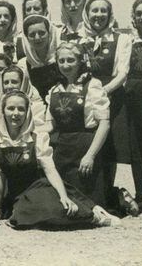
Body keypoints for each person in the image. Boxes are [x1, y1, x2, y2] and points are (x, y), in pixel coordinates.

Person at [0, 89, 120, 228]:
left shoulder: (37, 138)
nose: (15, 114)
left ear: (27, 113)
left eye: (21, 109)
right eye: (11, 108)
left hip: (38, 187)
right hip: (14, 193)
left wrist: (63, 196)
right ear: (3, 111)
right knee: (20, 217)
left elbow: (50, 169)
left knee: (57, 208)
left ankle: (93, 217)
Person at [79, 0, 132, 205]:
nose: (99, 15)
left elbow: (123, 73)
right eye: (94, 10)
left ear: (109, 14)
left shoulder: (121, 39)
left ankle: (109, 194)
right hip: (85, 98)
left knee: (110, 146)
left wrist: (103, 91)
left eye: (103, 10)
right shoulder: (81, 39)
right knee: (89, 141)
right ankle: (91, 192)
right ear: (87, 13)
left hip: (111, 97)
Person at [46, 42, 110, 207]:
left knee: (87, 205)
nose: (66, 65)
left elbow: (104, 123)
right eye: (62, 61)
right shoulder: (54, 90)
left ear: (80, 61)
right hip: (62, 150)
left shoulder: (92, 85)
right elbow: (49, 126)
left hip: (84, 149)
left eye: (70, 60)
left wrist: (90, 156)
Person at [119, 0, 142, 212]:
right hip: (132, 97)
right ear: (133, 16)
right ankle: (140, 195)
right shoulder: (126, 40)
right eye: (139, 13)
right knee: (136, 146)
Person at [18, 14, 63, 100]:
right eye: (32, 34)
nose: (37, 38)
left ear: (49, 33)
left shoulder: (61, 58)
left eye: (42, 33)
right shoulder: (23, 65)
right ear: (26, 38)